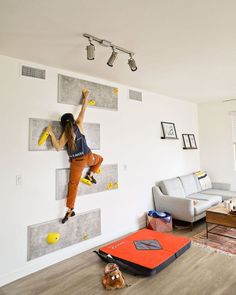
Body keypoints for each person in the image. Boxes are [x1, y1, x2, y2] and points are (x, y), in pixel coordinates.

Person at [47, 89, 103, 224]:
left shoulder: (65, 134)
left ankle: (70, 210)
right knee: (100, 159)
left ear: (62, 124)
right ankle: (90, 175)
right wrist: (85, 97)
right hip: (89, 157)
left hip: (77, 163)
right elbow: (83, 110)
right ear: (72, 121)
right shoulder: (78, 124)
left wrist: (51, 133)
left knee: (73, 185)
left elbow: (58, 147)